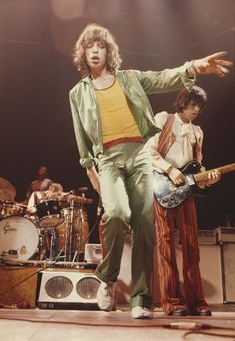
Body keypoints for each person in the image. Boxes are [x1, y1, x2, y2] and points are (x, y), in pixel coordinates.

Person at [69, 23, 232, 319]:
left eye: (101, 46)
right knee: (117, 214)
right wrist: (91, 173)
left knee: (145, 226)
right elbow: (82, 139)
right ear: (82, 52)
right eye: (90, 46)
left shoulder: (130, 79)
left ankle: (141, 299)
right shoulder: (77, 93)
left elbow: (163, 78)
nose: (95, 50)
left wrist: (194, 66)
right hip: (108, 159)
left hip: (140, 154)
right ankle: (106, 279)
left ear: (109, 52)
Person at [147, 86, 220, 316]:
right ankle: (171, 302)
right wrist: (169, 169)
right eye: (192, 104)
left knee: (191, 246)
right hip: (162, 187)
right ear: (182, 102)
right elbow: (148, 151)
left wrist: (208, 179)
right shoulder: (163, 119)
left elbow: (197, 167)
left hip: (186, 192)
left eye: (199, 106)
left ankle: (196, 301)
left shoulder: (197, 131)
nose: (196, 109)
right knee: (165, 244)